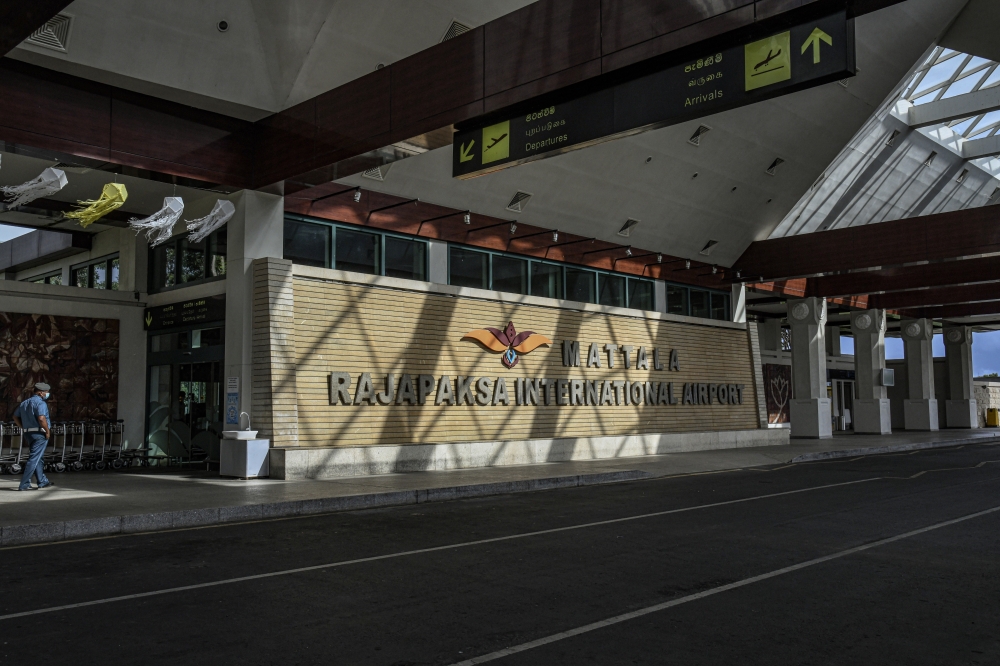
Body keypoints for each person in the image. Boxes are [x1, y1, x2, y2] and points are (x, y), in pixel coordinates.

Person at [13, 382, 54, 491]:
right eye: (46, 392)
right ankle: (24, 484)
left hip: (29, 434)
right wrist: (47, 431)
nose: (48, 394)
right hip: (39, 433)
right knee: (34, 458)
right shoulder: (41, 403)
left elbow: (15, 416)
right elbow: (41, 418)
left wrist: (23, 427)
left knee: (38, 458)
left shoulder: (25, 403)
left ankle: (42, 481)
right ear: (41, 393)